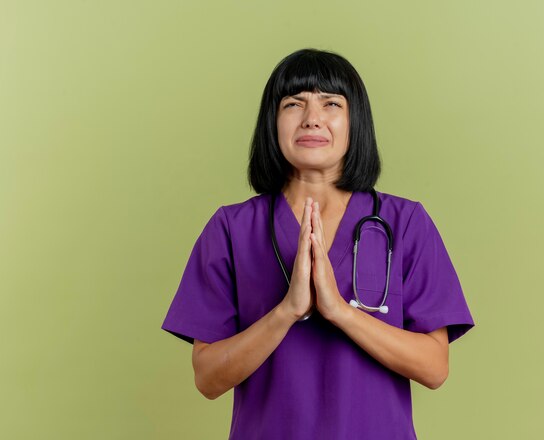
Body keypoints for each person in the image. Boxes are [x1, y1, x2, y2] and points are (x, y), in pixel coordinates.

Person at [161, 48, 475, 440]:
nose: (312, 118)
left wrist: (341, 312)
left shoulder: (406, 223)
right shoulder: (231, 229)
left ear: (354, 121)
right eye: (294, 104)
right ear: (272, 123)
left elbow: (435, 368)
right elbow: (208, 378)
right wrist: (287, 311)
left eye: (331, 103)